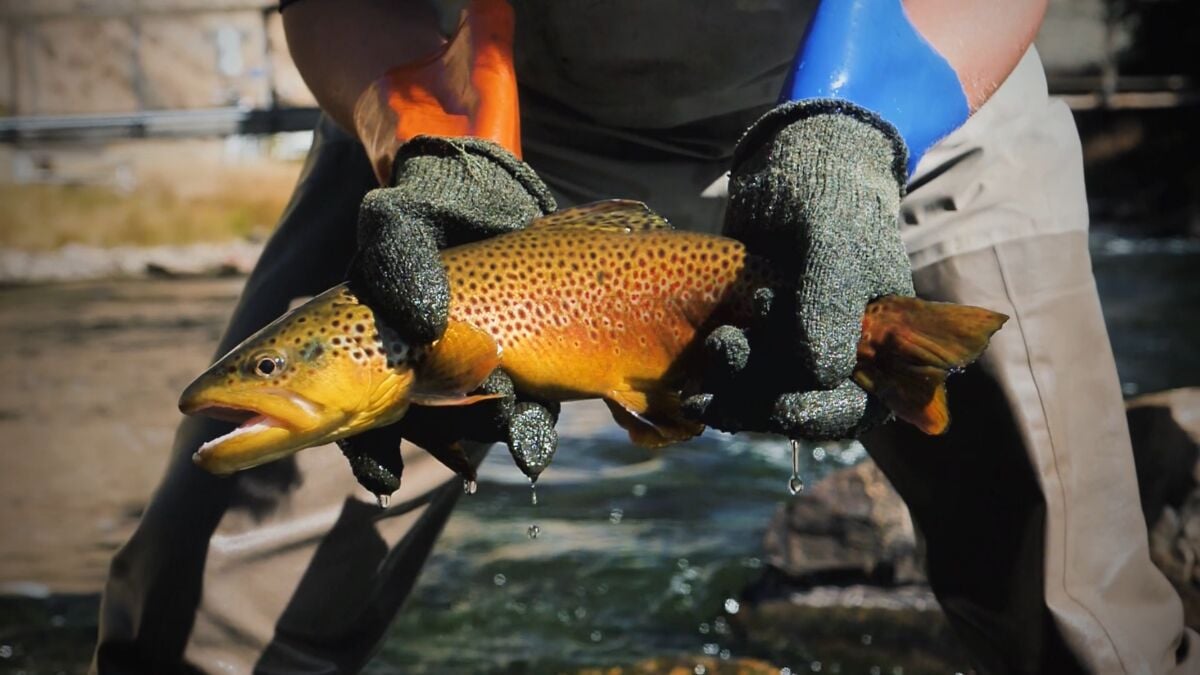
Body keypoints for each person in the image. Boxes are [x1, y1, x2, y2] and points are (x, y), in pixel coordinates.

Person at [92, 1, 1196, 672]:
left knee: (1084, 623)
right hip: (474, 138)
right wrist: (419, 143)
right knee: (195, 633)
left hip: (919, 97)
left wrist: (857, 127)